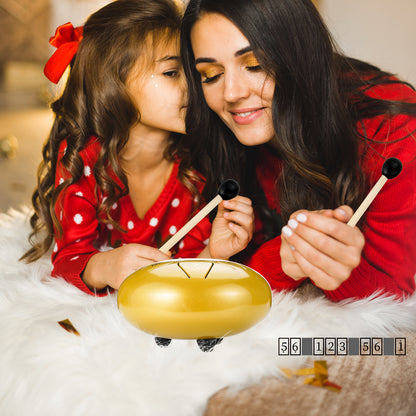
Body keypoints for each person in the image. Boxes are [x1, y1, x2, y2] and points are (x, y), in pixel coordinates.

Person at [180, 0, 416, 301]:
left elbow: (393, 292)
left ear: (300, 56)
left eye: (255, 65)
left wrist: (303, 258)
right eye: (211, 75)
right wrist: (282, 258)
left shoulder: (392, 130)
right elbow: (223, 270)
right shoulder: (229, 139)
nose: (231, 93)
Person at [21, 0, 254, 296]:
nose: (193, 87)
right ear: (112, 82)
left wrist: (215, 251)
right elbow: (67, 262)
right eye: (171, 72)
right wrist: (105, 266)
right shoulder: (83, 160)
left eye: (194, 72)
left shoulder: (194, 161)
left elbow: (187, 270)